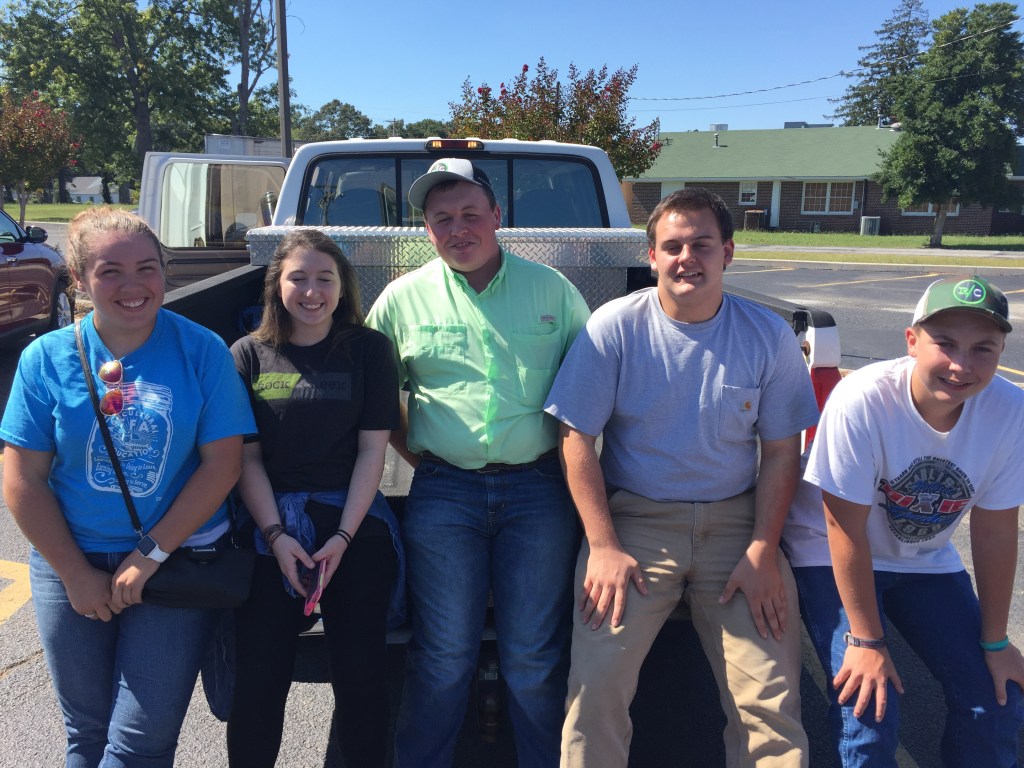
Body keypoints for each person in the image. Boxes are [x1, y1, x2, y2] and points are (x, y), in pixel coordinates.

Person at [544, 188, 819, 768]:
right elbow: (576, 439)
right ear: (650, 256)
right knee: (595, 691)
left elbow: (780, 452)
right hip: (637, 526)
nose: (686, 257)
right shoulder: (612, 328)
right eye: (672, 246)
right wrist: (603, 545)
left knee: (769, 703)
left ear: (729, 253)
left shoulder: (767, 335)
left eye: (701, 244)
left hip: (738, 527)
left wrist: (764, 549)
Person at [0, 207, 254, 767]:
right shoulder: (47, 359)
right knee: (86, 733)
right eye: (110, 271)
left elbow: (223, 465)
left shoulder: (202, 350)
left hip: (176, 560)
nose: (133, 286)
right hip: (72, 560)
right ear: (80, 281)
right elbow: (22, 476)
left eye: (147, 268)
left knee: (140, 740)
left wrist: (151, 553)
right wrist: (72, 573)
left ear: (166, 271)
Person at [364, 157, 591, 767]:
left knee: (533, 657)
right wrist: (430, 460)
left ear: (498, 215)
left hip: (540, 492)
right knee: (442, 655)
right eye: (442, 219)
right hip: (444, 495)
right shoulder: (400, 300)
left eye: (470, 214)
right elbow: (379, 400)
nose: (458, 228)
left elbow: (592, 393)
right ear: (426, 230)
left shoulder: (554, 292)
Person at [783, 274, 1024, 767]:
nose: (961, 365)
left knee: (998, 697)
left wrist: (996, 641)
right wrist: (866, 641)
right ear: (912, 341)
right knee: (870, 707)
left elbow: (996, 529)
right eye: (946, 344)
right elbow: (842, 528)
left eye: (983, 348)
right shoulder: (864, 400)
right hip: (827, 554)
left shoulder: (1010, 410)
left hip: (924, 561)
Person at [226, 229, 401, 767]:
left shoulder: (369, 350)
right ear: (276, 285)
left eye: (325, 278)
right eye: (297, 277)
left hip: (351, 522)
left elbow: (374, 452)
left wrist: (343, 538)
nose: (311, 291)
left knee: (362, 677)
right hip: (269, 526)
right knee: (259, 679)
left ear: (342, 287)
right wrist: (277, 536)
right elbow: (246, 459)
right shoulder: (248, 355)